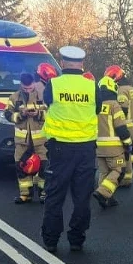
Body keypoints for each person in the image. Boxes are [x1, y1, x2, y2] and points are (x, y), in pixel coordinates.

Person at [39, 46, 98, 252]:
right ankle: (76, 238)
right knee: (82, 197)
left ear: (62, 63)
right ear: (82, 64)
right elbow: (97, 109)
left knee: (55, 196)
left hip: (60, 150)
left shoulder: (53, 84)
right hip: (86, 150)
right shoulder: (92, 87)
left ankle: (51, 240)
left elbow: (46, 103)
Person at [4, 72, 49, 204]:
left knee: (44, 167)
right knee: (21, 167)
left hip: (40, 140)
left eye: (30, 88)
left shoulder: (42, 96)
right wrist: (21, 115)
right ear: (21, 85)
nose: (28, 90)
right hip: (22, 141)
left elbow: (51, 114)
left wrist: (38, 114)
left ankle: (43, 194)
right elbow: (7, 115)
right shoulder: (14, 98)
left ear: (34, 84)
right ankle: (26, 195)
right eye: (25, 88)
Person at [94, 74, 133, 208]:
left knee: (104, 172)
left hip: (99, 147)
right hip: (114, 147)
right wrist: (128, 142)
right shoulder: (114, 105)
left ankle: (107, 198)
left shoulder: (96, 106)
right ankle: (102, 192)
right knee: (119, 170)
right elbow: (121, 127)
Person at [107, 65, 133, 188]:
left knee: (125, 151)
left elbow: (122, 109)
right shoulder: (131, 89)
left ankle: (125, 176)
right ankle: (130, 174)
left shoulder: (120, 90)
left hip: (124, 124)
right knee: (132, 151)